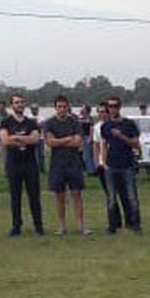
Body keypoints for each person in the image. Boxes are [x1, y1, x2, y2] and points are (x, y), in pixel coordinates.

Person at [43, 94, 90, 236]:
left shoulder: (74, 122)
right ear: (55, 108)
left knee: (77, 194)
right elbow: (50, 142)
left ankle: (81, 226)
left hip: (74, 163)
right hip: (57, 164)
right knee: (59, 196)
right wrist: (68, 139)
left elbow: (78, 142)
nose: (62, 109)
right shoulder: (49, 123)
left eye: (64, 106)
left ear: (68, 107)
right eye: (59, 107)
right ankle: (62, 226)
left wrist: (60, 141)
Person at [0, 93, 44, 237]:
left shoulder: (31, 122)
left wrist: (17, 137)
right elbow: (5, 141)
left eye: (22, 102)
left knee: (34, 196)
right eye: (17, 102)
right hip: (13, 164)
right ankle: (16, 226)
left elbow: (35, 139)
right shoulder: (6, 122)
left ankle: (38, 226)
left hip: (30, 164)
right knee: (15, 196)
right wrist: (26, 139)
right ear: (12, 105)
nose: (20, 105)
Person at [100, 96, 141, 234]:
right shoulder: (105, 126)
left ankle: (135, 225)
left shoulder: (128, 124)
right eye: (110, 106)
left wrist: (121, 136)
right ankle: (112, 226)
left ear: (120, 107)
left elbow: (136, 144)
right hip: (111, 166)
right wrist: (104, 162)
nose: (113, 109)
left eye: (115, 106)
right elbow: (104, 144)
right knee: (111, 198)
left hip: (127, 165)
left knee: (131, 197)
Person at [92, 102, 122, 231]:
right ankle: (114, 222)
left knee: (122, 193)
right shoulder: (97, 127)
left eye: (103, 112)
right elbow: (96, 146)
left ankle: (127, 221)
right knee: (109, 195)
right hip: (103, 165)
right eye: (99, 112)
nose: (101, 114)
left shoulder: (116, 125)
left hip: (116, 163)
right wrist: (97, 163)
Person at [79, 103, 96, 175]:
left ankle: (91, 171)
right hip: (81, 138)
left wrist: (90, 138)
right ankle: (88, 169)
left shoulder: (89, 119)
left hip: (87, 137)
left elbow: (91, 128)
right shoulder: (81, 118)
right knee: (83, 155)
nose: (81, 109)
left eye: (83, 108)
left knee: (87, 155)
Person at [28, 103, 46, 173]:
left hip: (41, 138)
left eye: (36, 109)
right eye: (33, 109)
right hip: (32, 139)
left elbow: (43, 126)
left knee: (41, 154)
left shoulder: (41, 117)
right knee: (34, 155)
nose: (35, 111)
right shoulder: (29, 117)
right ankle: (36, 169)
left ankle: (42, 168)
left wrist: (38, 125)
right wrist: (37, 125)